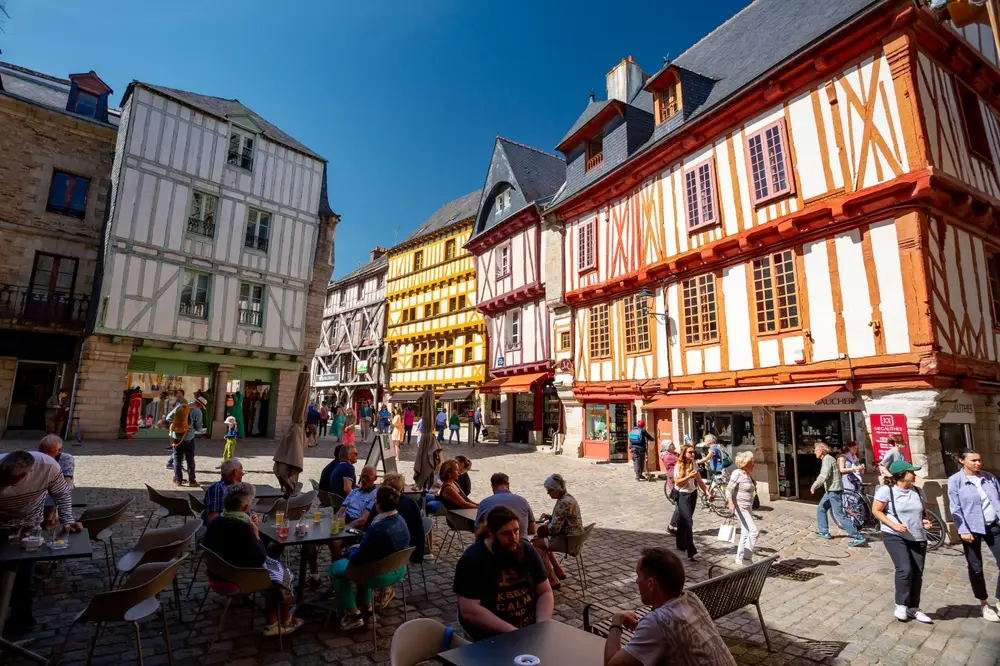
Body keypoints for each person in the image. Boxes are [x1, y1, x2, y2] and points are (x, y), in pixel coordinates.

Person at [602, 547, 737, 666]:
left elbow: (610, 664)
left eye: (638, 576)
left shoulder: (657, 622)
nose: (637, 581)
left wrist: (617, 620)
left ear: (651, 584)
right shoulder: (691, 599)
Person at [201, 482, 303, 636]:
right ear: (245, 507)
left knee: (274, 569)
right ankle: (280, 621)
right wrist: (256, 534)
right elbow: (261, 558)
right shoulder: (243, 528)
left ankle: (275, 620)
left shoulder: (216, 522)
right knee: (279, 574)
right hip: (236, 578)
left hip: (216, 574)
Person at [0, 450, 83, 634]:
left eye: (13, 480)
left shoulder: (47, 467)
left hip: (29, 525)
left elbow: (62, 494)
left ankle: (22, 620)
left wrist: (68, 521)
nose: (7, 484)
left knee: (24, 574)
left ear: (28, 472)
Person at [454, 505, 554, 640]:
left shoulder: (526, 550)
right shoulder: (472, 560)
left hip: (529, 630)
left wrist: (540, 625)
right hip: (491, 637)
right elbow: (469, 610)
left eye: (516, 531)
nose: (513, 538)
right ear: (491, 533)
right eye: (506, 533)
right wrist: (513, 632)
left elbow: (545, 591)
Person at [329, 485, 411, 630]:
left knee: (336, 569)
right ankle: (367, 608)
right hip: (398, 569)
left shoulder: (377, 528)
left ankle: (353, 614)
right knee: (368, 563)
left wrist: (353, 549)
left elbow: (357, 559)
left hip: (377, 574)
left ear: (377, 505)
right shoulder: (402, 521)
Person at [872, 460, 934, 623]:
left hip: (917, 535)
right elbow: (876, 510)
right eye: (911, 472)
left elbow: (921, 513)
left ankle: (913, 608)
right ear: (901, 475)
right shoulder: (887, 491)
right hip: (894, 534)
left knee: (917, 572)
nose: (914, 474)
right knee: (905, 569)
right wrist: (894, 525)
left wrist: (925, 521)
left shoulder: (918, 491)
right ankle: (900, 604)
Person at [948, 449, 1000, 622]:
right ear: (962, 461)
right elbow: (955, 507)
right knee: (976, 567)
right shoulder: (955, 480)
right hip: (971, 528)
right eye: (973, 460)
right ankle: (984, 603)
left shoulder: (989, 477)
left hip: (993, 525)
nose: (978, 463)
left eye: (980, 460)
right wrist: (963, 529)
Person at [533, 473, 583, 588]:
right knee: (542, 540)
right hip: (574, 537)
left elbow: (554, 530)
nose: (548, 493)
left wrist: (546, 525)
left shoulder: (563, 503)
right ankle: (558, 569)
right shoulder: (568, 497)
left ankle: (552, 578)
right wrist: (551, 517)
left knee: (536, 544)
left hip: (569, 540)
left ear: (557, 490)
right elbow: (564, 518)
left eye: (550, 490)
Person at [810, 442, 866, 547]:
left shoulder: (827, 459)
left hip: (834, 490)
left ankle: (857, 536)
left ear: (821, 451)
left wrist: (814, 486)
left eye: (816, 450)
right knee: (821, 508)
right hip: (831, 490)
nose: (814, 452)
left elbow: (823, 475)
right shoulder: (827, 459)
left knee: (839, 514)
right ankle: (823, 531)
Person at [673, 444, 708, 561]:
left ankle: (680, 544)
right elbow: (677, 482)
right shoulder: (678, 466)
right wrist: (688, 476)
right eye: (690, 452)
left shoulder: (693, 464)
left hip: (693, 494)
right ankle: (692, 551)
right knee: (688, 522)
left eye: (694, 452)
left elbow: (699, 481)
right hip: (682, 495)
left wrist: (708, 493)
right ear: (684, 453)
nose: (693, 454)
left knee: (684, 521)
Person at [382, 472, 426, 562]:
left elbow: (417, 530)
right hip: (402, 547)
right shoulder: (409, 502)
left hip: (398, 548)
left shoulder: (405, 505)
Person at [476, 473, 536, 539]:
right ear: (508, 485)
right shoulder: (523, 501)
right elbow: (532, 529)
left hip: (495, 544)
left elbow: (477, 531)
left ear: (492, 486)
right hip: (522, 542)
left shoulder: (484, 503)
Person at [727, 451, 758, 566]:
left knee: (746, 532)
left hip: (748, 506)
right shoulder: (737, 473)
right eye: (751, 462)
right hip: (740, 507)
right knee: (754, 532)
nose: (753, 464)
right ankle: (746, 558)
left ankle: (739, 558)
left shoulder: (747, 474)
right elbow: (729, 489)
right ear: (744, 463)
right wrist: (730, 503)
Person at [167, 396, 206, 487]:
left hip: (176, 437)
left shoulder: (181, 406)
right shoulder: (197, 412)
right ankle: (192, 481)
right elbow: (198, 428)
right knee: (190, 459)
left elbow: (168, 418)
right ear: (200, 405)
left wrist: (177, 423)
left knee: (177, 458)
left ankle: (178, 480)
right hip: (188, 438)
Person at [203, 457, 244, 523]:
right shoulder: (218, 488)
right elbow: (213, 520)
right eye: (241, 470)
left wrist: (253, 515)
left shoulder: (237, 488)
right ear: (235, 472)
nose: (242, 474)